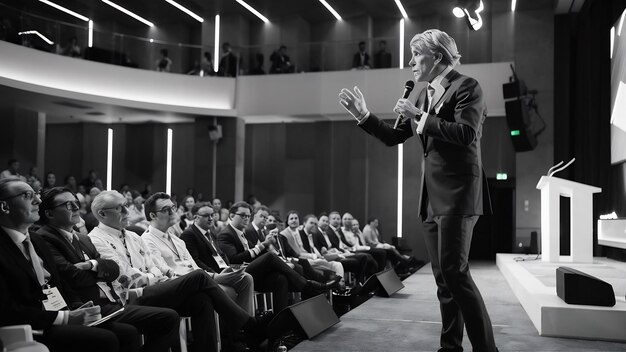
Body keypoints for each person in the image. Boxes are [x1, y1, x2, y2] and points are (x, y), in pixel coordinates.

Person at [338, 28, 497, 352]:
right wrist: (363, 115)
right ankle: (450, 346)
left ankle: (487, 349)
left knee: (456, 274)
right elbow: (393, 135)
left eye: (416, 55)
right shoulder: (424, 95)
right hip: (431, 199)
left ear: (436, 56)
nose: (410, 62)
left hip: (459, 194)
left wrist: (420, 117)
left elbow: (466, 133)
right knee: (444, 280)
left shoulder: (467, 86)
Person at [88, 191, 267, 352]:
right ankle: (250, 327)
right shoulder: (96, 239)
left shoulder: (133, 236)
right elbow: (127, 278)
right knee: (198, 276)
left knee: (202, 300)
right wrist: (154, 276)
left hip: (155, 289)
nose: (128, 212)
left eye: (126, 207)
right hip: (129, 296)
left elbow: (157, 268)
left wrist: (153, 276)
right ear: (102, 214)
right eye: (120, 209)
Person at [0, 178, 137, 352]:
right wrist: (64, 317)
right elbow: (6, 309)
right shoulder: (26, 241)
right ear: (5, 207)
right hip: (27, 326)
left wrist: (76, 306)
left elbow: (59, 283)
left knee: (127, 333)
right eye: (27, 195)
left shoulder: (35, 239)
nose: (38, 200)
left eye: (36, 194)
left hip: (57, 312)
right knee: (105, 339)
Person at [36, 187, 180, 352]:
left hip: (112, 299)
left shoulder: (83, 238)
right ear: (49, 214)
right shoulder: (45, 237)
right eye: (68, 205)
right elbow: (73, 275)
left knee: (188, 303)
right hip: (90, 304)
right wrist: (100, 270)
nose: (76, 208)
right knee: (165, 317)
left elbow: (113, 270)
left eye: (76, 202)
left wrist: (93, 265)